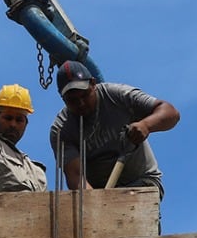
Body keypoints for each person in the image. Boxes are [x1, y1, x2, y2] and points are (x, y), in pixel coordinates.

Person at [48, 61, 180, 199]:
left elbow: (171, 113)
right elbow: (75, 178)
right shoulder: (62, 130)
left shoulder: (116, 95)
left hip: (141, 184)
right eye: (72, 100)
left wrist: (146, 125)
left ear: (93, 84)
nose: (81, 103)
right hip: (100, 194)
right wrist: (97, 204)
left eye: (84, 95)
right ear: (62, 97)